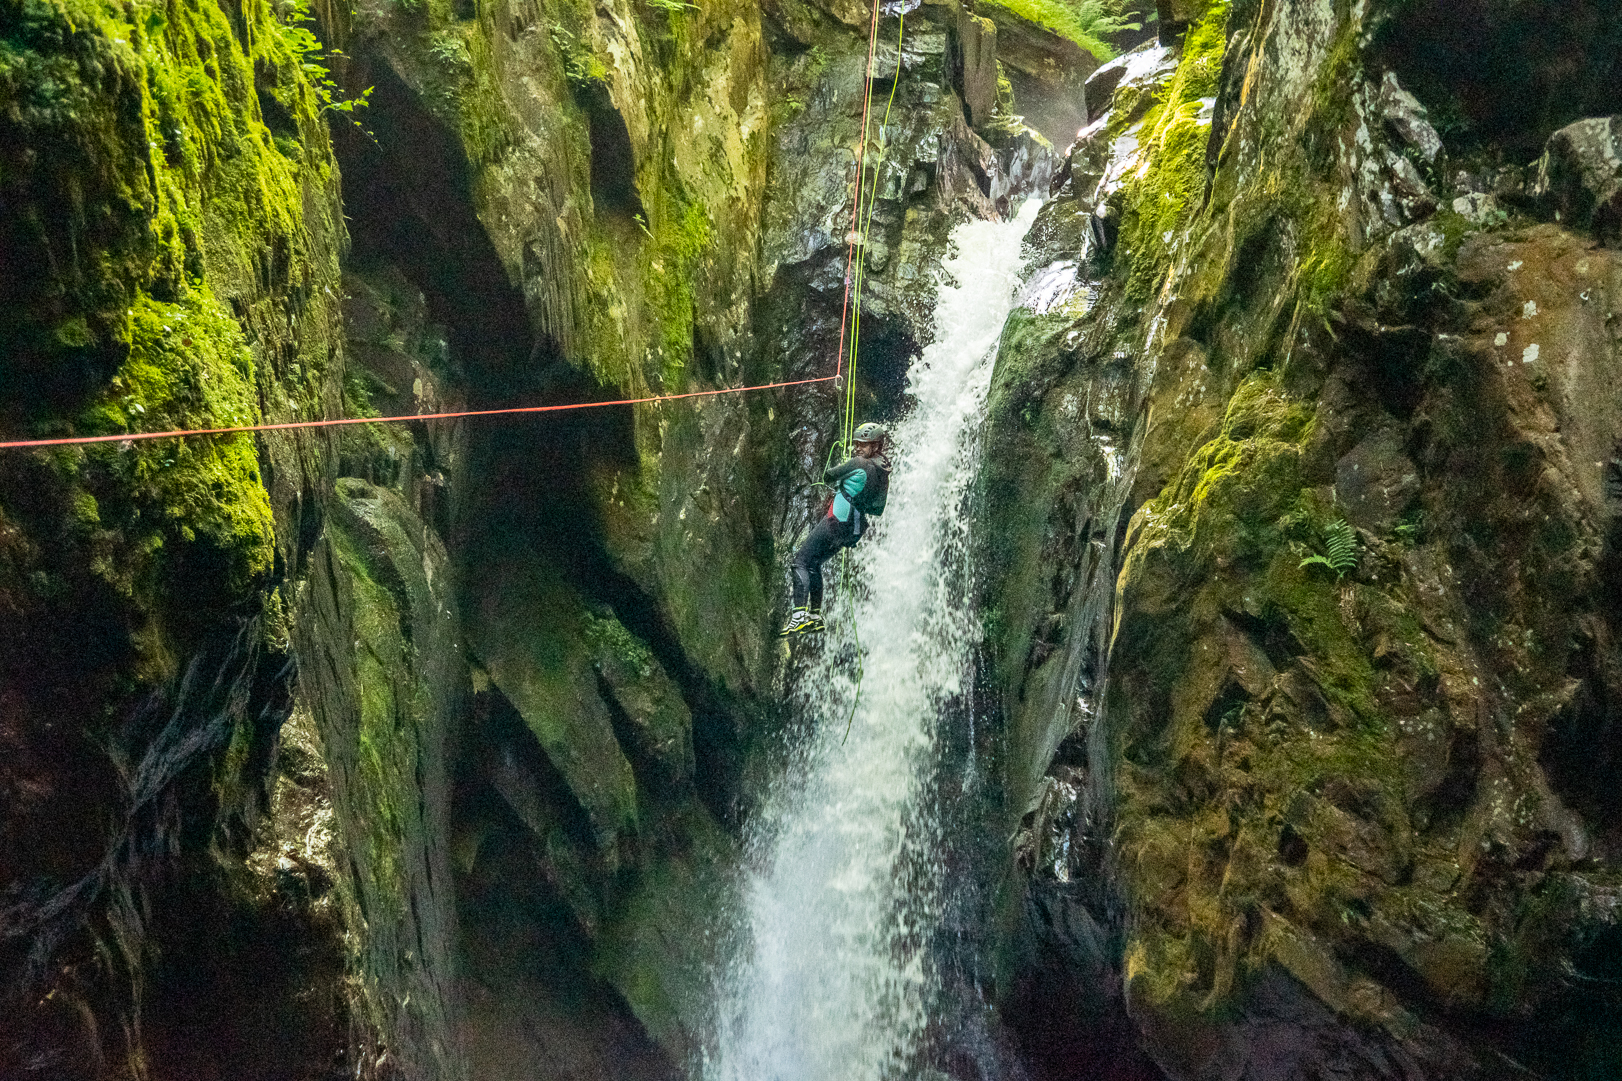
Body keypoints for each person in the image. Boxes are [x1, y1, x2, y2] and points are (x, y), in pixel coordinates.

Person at [780, 422, 891, 637]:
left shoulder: (860, 463)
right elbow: (876, 508)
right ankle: (814, 616)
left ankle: (798, 618)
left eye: (864, 444)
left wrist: (844, 471)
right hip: (853, 528)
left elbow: (828, 476)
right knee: (814, 563)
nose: (858, 448)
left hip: (838, 519)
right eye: (857, 443)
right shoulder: (882, 472)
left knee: (800, 561)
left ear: (876, 446)